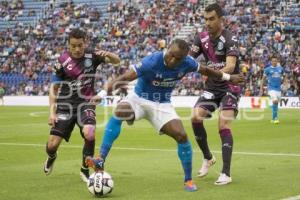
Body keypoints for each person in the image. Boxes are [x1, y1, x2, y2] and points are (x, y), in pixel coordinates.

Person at [86, 39, 244, 192]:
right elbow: (125, 77)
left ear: (184, 58)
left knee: (181, 135)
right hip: (139, 99)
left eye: (178, 58)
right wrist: (101, 93)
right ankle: (100, 158)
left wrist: (229, 77)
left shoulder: (188, 62)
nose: (173, 59)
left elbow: (207, 70)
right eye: (171, 54)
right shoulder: (152, 61)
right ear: (167, 49)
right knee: (120, 111)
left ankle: (188, 179)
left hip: (162, 105)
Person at [43, 28, 120, 183]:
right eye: (73, 46)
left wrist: (109, 55)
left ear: (85, 42)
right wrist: (52, 112)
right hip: (65, 105)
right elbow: (54, 89)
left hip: (87, 102)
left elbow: (117, 61)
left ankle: (85, 169)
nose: (77, 49)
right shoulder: (62, 61)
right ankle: (52, 156)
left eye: (80, 45)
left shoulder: (93, 54)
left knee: (90, 133)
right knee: (52, 145)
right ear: (68, 45)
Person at [189, 3, 242, 185]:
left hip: (229, 86)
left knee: (223, 125)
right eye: (205, 19)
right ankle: (208, 157)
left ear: (221, 19)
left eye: (212, 19)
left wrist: (207, 71)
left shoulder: (230, 38)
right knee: (195, 117)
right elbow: (189, 59)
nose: (208, 23)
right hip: (212, 88)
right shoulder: (201, 38)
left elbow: (230, 66)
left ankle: (226, 173)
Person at [260, 55, 285, 124]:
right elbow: (263, 79)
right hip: (271, 88)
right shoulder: (267, 69)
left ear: (277, 61)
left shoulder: (281, 69)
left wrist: (284, 83)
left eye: (275, 61)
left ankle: (273, 117)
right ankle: (276, 118)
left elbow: (285, 76)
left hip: (278, 89)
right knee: (275, 101)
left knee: (276, 104)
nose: (274, 62)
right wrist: (261, 88)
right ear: (271, 61)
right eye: (273, 61)